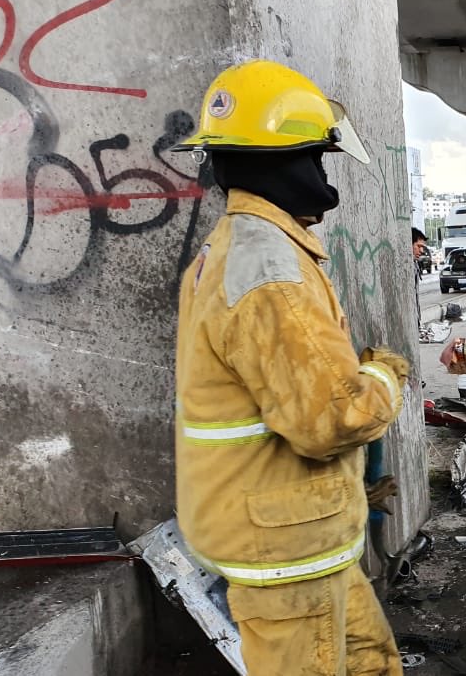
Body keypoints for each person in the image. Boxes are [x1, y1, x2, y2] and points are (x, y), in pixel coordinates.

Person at [171, 60, 406, 674]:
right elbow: (331, 419)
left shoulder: (243, 251)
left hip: (301, 544)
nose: (324, 176)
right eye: (318, 159)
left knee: (374, 662)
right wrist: (386, 374)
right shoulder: (269, 270)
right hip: (284, 552)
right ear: (286, 162)